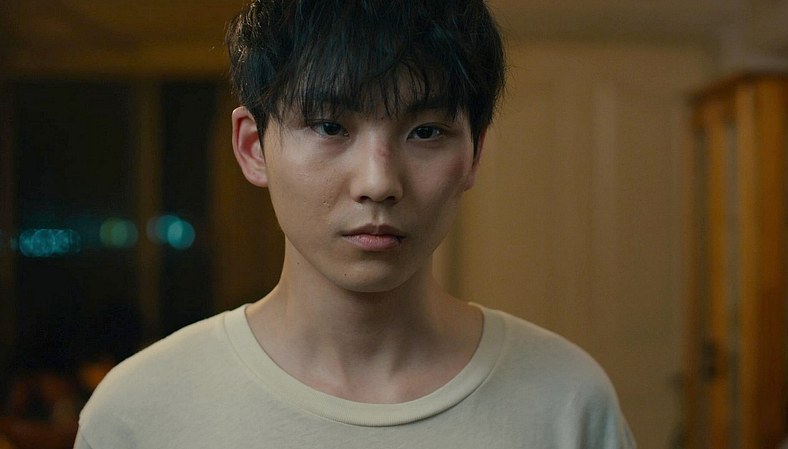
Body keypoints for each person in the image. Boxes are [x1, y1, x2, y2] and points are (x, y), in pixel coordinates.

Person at [74, 0, 636, 447]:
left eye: (426, 132)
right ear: (252, 147)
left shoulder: (566, 400)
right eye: (329, 126)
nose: (378, 181)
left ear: (475, 154)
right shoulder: (142, 411)